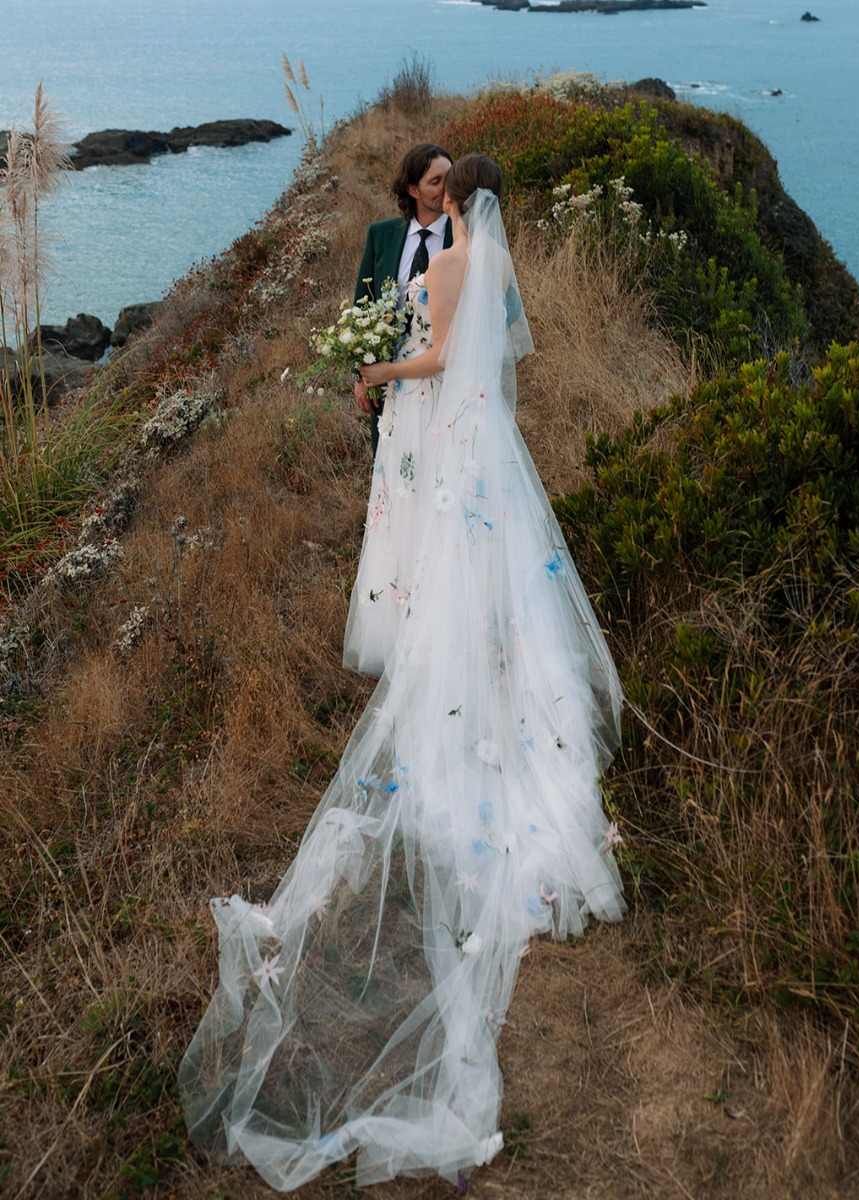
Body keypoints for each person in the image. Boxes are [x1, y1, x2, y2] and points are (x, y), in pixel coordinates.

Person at [179, 155, 624, 1193]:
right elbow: (503, 351)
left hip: (450, 433)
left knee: (456, 585)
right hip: (488, 446)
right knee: (494, 588)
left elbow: (440, 361)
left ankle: (462, 711)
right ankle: (506, 706)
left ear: (454, 200)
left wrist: (381, 372)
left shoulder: (463, 260)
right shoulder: (500, 261)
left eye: (446, 190)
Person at [353, 142, 453, 453]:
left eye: (451, 178)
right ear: (413, 190)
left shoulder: (463, 239)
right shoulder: (380, 235)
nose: (447, 188)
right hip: (387, 378)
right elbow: (362, 308)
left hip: (443, 377)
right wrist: (362, 377)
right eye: (435, 182)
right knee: (391, 472)